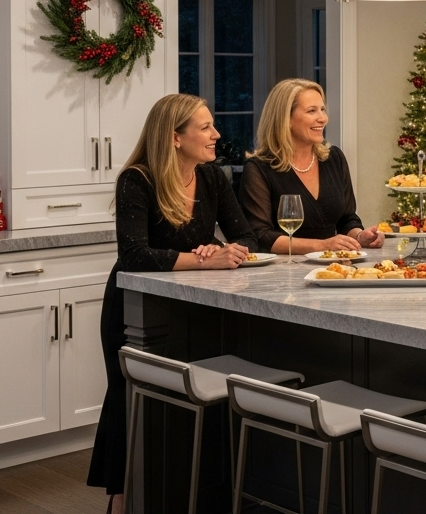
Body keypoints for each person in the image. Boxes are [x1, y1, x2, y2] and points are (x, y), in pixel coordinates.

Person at [88, 94, 258, 513]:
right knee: (130, 397)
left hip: (192, 306)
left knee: (179, 408)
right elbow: (134, 255)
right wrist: (203, 259)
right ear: (175, 137)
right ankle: (123, 501)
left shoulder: (213, 177)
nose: (216, 134)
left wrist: (221, 250)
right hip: (134, 306)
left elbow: (248, 237)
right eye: (205, 127)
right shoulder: (137, 179)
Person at [241, 79, 383, 254]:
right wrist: (322, 246)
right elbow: (261, 236)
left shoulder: (334, 158)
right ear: (286, 119)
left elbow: (347, 219)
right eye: (311, 111)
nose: (323, 118)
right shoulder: (258, 168)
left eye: (322, 109)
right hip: (284, 272)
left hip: (333, 267)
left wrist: (360, 236)